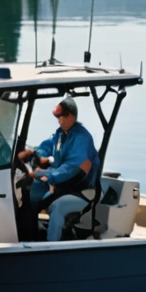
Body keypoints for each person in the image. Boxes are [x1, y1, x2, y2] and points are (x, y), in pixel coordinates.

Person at [17, 98, 99, 241]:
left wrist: (50, 177)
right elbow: (46, 146)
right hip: (61, 183)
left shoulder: (81, 138)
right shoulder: (60, 134)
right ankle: (28, 237)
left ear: (73, 116)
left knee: (57, 206)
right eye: (58, 116)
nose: (60, 120)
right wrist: (37, 155)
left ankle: (51, 246)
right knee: (29, 196)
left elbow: (72, 167)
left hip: (80, 188)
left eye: (64, 116)